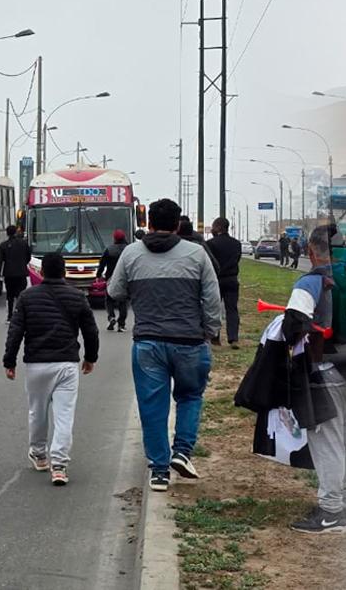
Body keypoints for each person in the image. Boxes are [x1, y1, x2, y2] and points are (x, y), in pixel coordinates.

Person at [108, 198, 221, 492]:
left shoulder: (132, 253)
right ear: (177, 225)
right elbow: (212, 299)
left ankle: (159, 471)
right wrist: (210, 331)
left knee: (152, 406)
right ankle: (182, 452)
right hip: (190, 341)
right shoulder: (196, 254)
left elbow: (115, 291)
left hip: (148, 343)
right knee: (190, 396)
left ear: (148, 223)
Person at [288, 225, 346, 534]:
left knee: (328, 441)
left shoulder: (311, 282)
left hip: (324, 372)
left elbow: (294, 324)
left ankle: (330, 512)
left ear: (311, 251)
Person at [3, 252, 100, 487]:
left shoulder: (27, 297)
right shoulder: (77, 296)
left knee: (37, 412)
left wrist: (9, 361)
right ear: (64, 272)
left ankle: (39, 455)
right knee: (64, 415)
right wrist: (90, 358)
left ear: (42, 272)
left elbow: (16, 331)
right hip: (67, 364)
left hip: (36, 364)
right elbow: (91, 331)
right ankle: (59, 465)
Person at [205, 217, 242, 349]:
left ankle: (215, 337)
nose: (212, 229)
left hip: (216, 279)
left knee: (215, 309)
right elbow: (237, 259)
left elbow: (209, 262)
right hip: (232, 279)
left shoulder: (210, 244)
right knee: (232, 309)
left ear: (218, 227)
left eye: (213, 226)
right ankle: (233, 338)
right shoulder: (236, 244)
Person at [97, 229, 131, 332]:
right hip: (125, 278)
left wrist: (98, 275)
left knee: (109, 299)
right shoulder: (128, 249)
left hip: (111, 278)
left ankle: (111, 317)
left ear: (114, 238)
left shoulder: (109, 249)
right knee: (123, 301)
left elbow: (102, 264)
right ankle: (121, 325)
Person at [0, 225, 33, 320]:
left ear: (7, 233)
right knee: (20, 294)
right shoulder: (24, 243)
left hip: (9, 274)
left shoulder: (3, 245)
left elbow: (0, 261)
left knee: (10, 295)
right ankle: (20, 314)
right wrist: (23, 264)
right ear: (16, 232)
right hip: (21, 273)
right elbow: (28, 257)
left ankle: (10, 315)